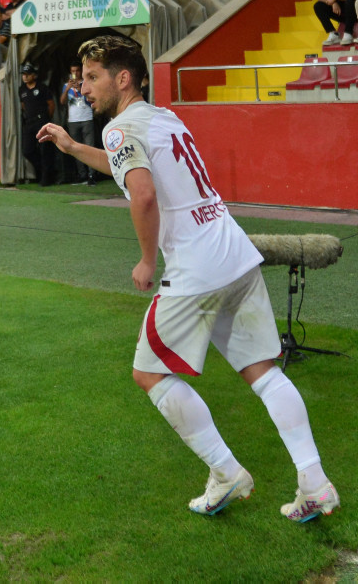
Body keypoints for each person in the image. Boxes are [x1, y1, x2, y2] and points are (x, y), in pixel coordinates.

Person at [36, 34, 339, 522]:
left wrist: (146, 261)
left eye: (92, 77)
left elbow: (144, 194)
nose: (83, 87)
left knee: (149, 372)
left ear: (123, 78)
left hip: (196, 269)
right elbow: (127, 165)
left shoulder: (120, 129)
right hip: (234, 254)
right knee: (264, 372)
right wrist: (72, 147)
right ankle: (315, 483)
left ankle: (226, 473)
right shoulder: (164, 118)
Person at [59, 62, 95, 185]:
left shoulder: (87, 84)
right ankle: (82, 175)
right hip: (73, 120)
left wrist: (80, 89)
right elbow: (62, 102)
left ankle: (92, 174)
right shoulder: (66, 85)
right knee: (76, 148)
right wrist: (68, 89)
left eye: (77, 71)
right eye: (72, 71)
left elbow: (92, 100)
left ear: (81, 71)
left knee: (89, 147)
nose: (75, 73)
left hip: (87, 118)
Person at [20, 64, 54, 187]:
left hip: (42, 121)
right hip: (29, 122)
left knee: (45, 149)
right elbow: (23, 105)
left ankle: (47, 177)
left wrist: (46, 119)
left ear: (34, 75)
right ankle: (40, 170)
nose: (25, 77)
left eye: (27, 74)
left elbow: (51, 105)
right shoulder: (22, 89)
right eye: (23, 74)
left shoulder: (42, 87)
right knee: (27, 150)